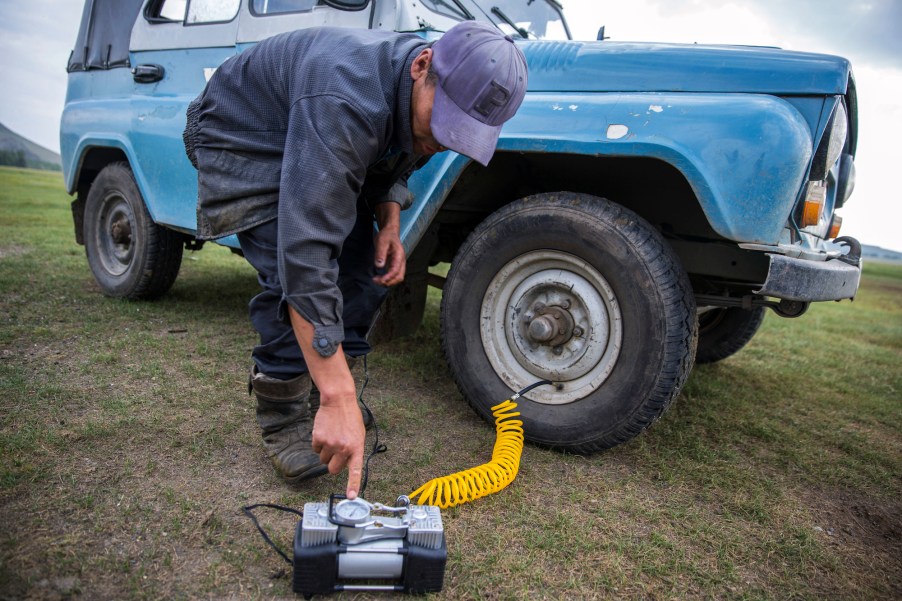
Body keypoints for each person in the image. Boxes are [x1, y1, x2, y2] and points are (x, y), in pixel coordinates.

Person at [183, 20, 527, 499]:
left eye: (460, 132)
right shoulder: (344, 95)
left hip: (315, 128)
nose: (443, 139)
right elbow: (306, 254)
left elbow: (393, 157)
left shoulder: (420, 95)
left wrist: (389, 224)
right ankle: (284, 415)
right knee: (291, 279)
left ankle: (320, 391)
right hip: (246, 134)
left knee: (365, 274)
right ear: (422, 65)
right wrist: (339, 395)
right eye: (444, 121)